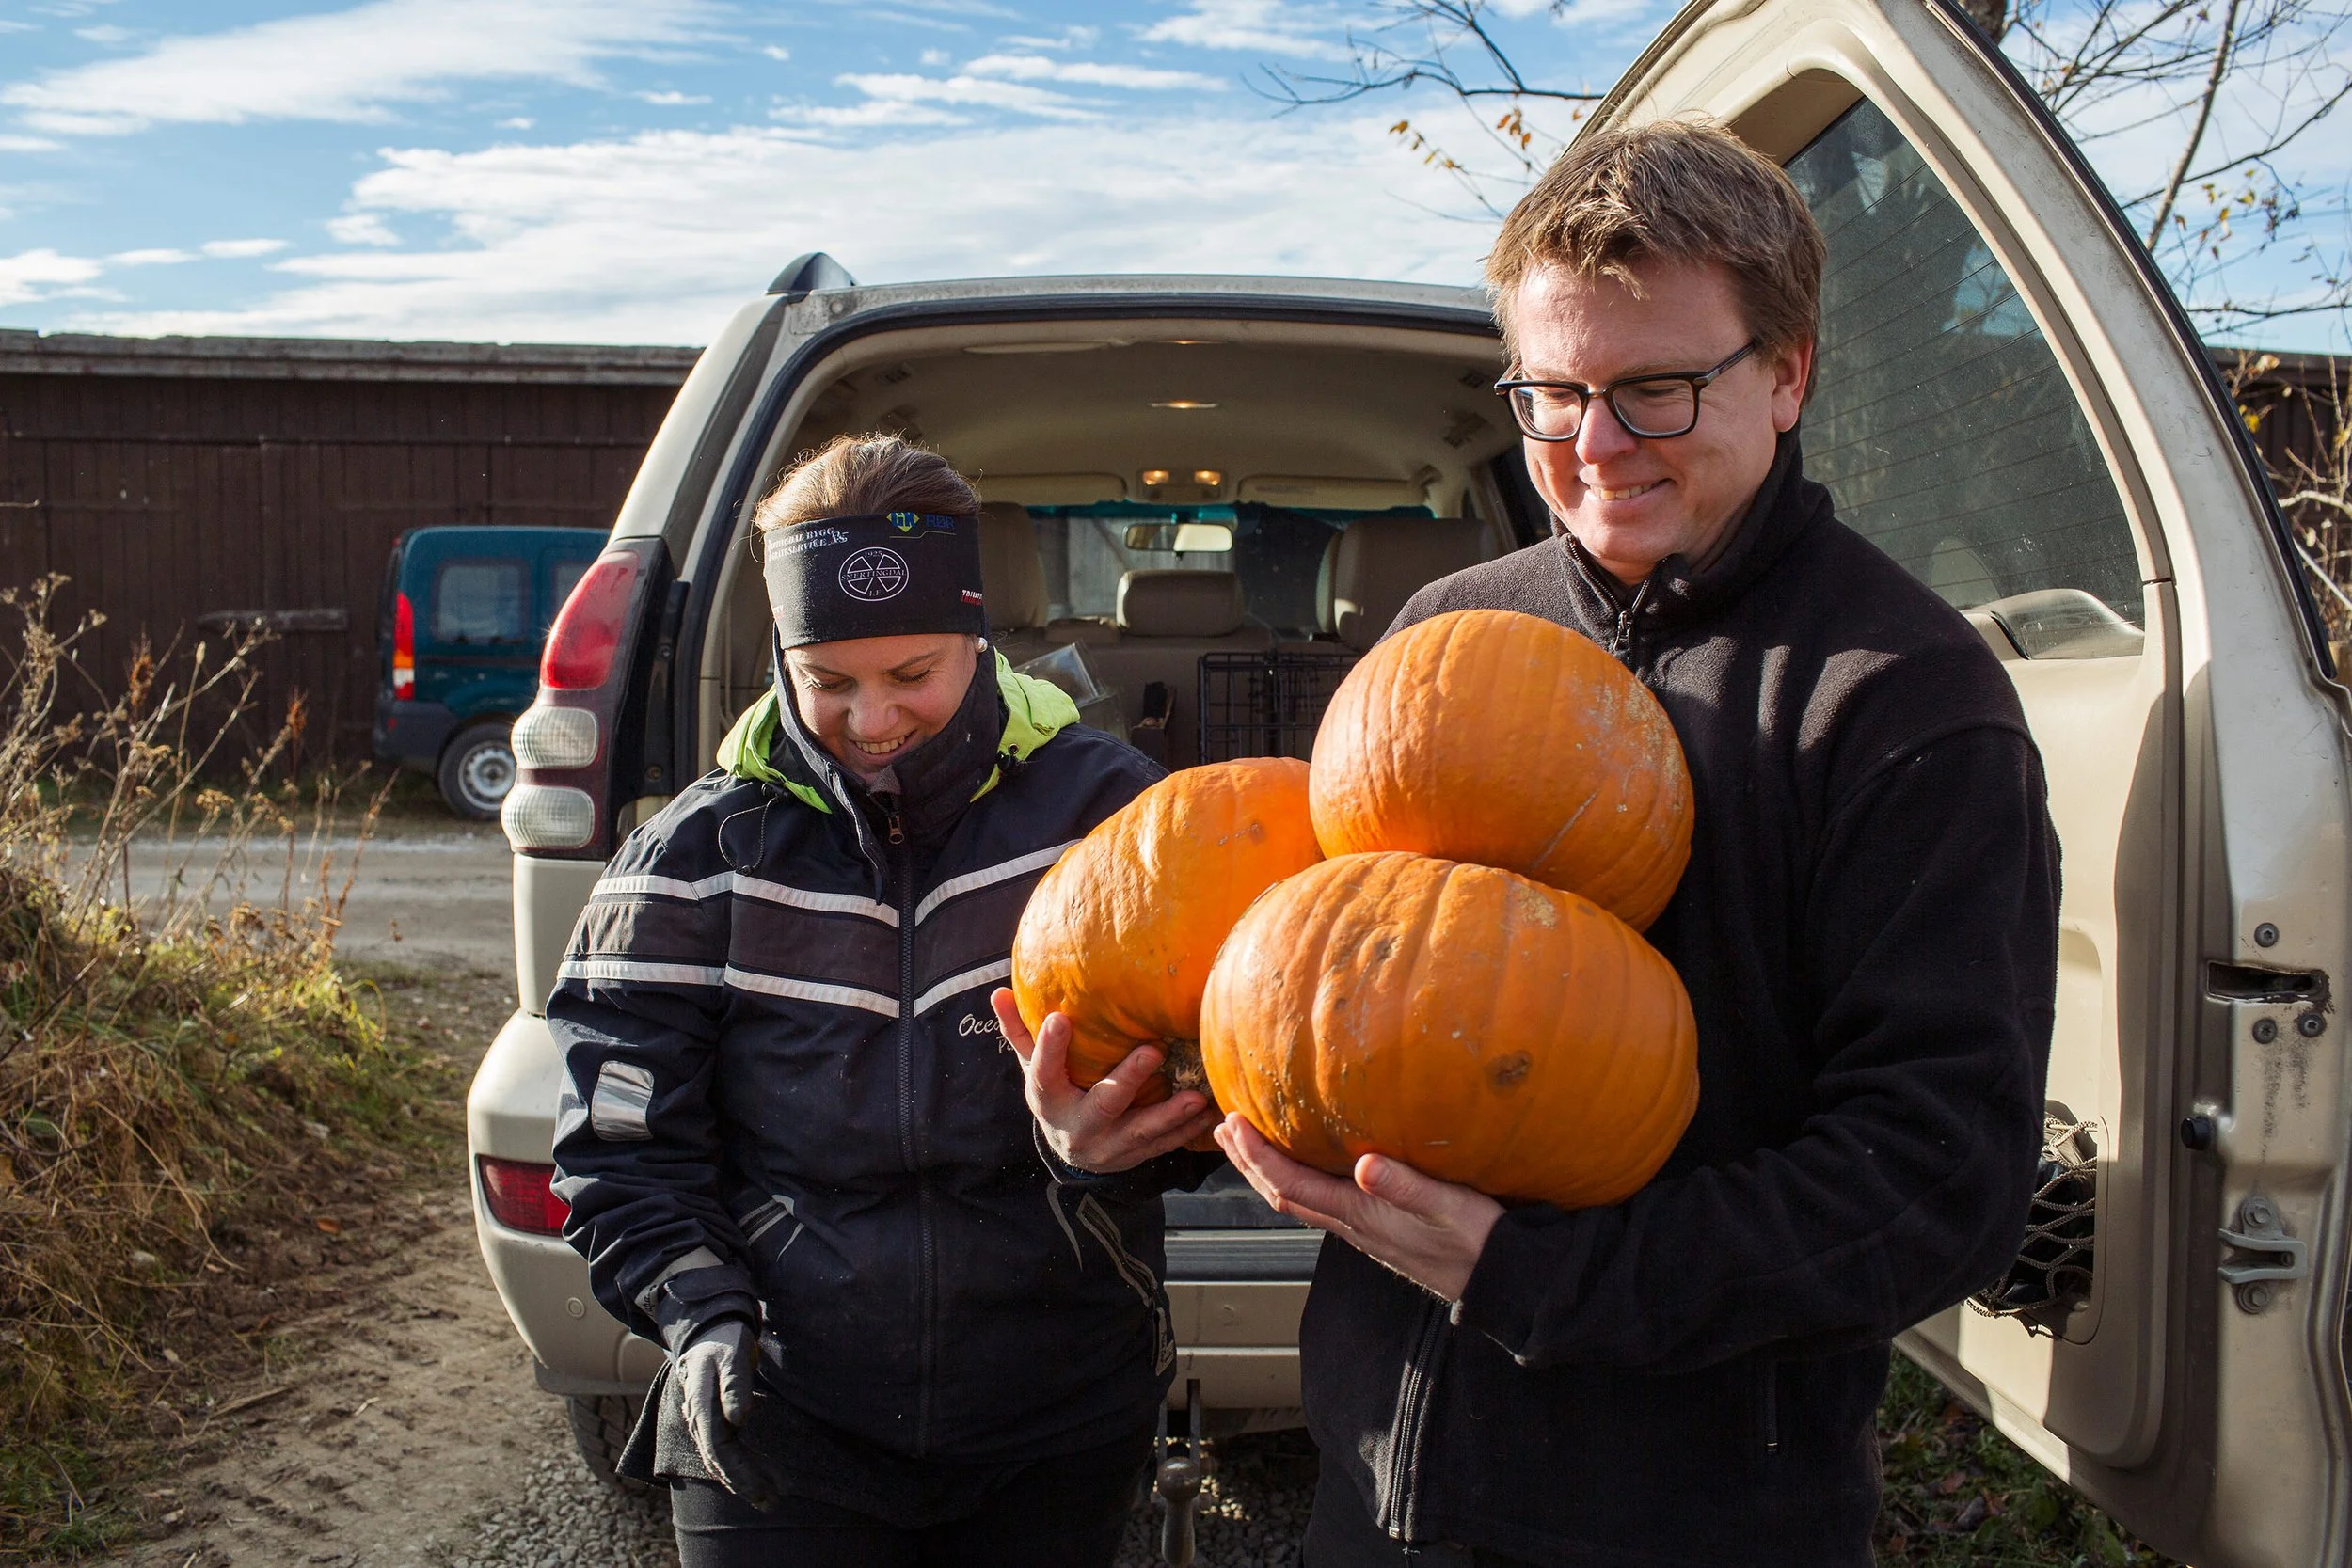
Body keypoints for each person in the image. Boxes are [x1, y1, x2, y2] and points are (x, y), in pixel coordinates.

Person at [1216, 119, 2061, 1565]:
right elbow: (1329, 991)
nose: (1593, 445)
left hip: (1698, 1517)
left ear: (1787, 373)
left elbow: (1937, 1180)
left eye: (1654, 390)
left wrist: (1541, 1274)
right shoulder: (1448, 634)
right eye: (1549, 393)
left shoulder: (1901, 702)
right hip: (1380, 1493)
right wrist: (1140, 1112)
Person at [548, 434, 1218, 1568]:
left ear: (977, 638)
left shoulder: (1116, 822)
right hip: (782, 1416)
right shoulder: (693, 857)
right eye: (828, 680)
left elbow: (1230, 1074)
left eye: (912, 674)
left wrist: (1105, 1148)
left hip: (1057, 1407)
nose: (870, 720)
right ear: (783, 658)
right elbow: (621, 1141)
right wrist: (698, 1307)